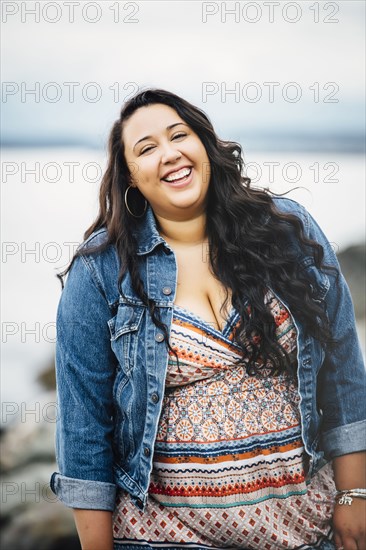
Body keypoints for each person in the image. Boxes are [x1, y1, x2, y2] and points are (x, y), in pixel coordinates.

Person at [50, 89, 366, 550]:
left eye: (180, 135)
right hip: (163, 536)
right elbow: (83, 423)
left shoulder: (287, 230)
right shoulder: (100, 270)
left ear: (206, 145)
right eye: (146, 147)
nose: (170, 152)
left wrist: (354, 493)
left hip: (307, 528)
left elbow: (342, 366)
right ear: (131, 178)